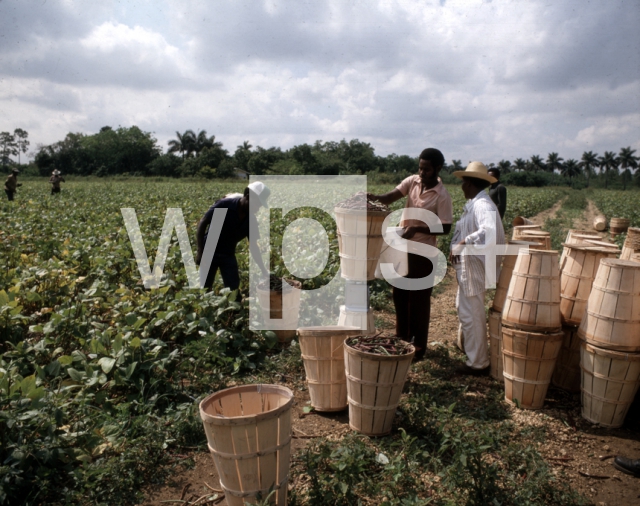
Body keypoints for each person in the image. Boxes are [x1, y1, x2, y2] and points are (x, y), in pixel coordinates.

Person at [368, 148, 453, 361]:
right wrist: (374, 199)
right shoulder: (413, 182)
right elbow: (391, 196)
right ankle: (401, 339)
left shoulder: (442, 195)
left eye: (426, 169)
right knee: (400, 294)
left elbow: (445, 227)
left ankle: (418, 347)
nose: (422, 172)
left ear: (438, 169)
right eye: (420, 167)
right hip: (402, 248)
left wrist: (418, 229)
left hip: (423, 252)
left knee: (418, 300)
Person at [449, 162, 505, 375]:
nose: (462, 187)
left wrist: (463, 242)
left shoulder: (482, 205)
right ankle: (472, 351)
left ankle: (478, 363)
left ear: (470, 183)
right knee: (466, 310)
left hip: (475, 265)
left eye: (464, 183)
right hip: (472, 264)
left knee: (472, 314)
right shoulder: (478, 202)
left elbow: (488, 230)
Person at [195, 181, 269, 291]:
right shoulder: (224, 205)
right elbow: (203, 223)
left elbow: (253, 246)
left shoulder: (251, 220)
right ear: (248, 197)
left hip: (228, 254)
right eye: (257, 204)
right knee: (205, 288)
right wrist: (200, 251)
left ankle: (232, 307)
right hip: (209, 251)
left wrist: (264, 270)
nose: (257, 208)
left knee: (233, 289)